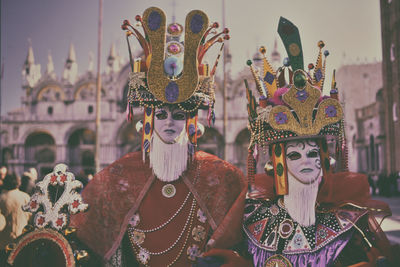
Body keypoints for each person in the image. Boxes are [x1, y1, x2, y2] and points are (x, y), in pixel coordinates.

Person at [66, 7, 246, 266]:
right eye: (161, 114)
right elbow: (86, 234)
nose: (170, 122)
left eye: (179, 114)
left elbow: (240, 245)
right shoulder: (119, 175)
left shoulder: (221, 176)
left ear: (192, 120)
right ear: (148, 120)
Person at [240, 17, 397, 266]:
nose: (307, 162)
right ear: (278, 161)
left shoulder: (350, 226)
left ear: (325, 158)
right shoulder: (252, 220)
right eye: (294, 154)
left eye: (313, 153)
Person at [0, 173, 31, 250]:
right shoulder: (25, 197)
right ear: (18, 183)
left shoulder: (1, 198)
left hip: (4, 243)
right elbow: (31, 218)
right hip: (22, 240)